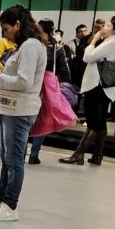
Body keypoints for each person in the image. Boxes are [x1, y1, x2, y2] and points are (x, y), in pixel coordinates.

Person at [0, 5, 47, 221]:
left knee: (15, 160)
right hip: (11, 109)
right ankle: (0, 199)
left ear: (18, 24)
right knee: (7, 158)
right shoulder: (23, 46)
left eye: (6, 29)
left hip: (20, 110)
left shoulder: (31, 47)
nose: (4, 34)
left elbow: (24, 82)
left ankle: (11, 206)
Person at [59, 16, 115, 165]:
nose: (104, 27)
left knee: (92, 122)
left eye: (108, 25)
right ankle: (97, 155)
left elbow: (87, 57)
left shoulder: (112, 42)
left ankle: (78, 155)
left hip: (96, 85)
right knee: (101, 121)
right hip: (106, 86)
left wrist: (94, 39)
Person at [28, 19, 71, 164]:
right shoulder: (57, 47)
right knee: (44, 118)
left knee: (27, 117)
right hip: (48, 86)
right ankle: (34, 154)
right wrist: (67, 85)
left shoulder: (33, 44)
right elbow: (64, 69)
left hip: (32, 82)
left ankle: (21, 152)